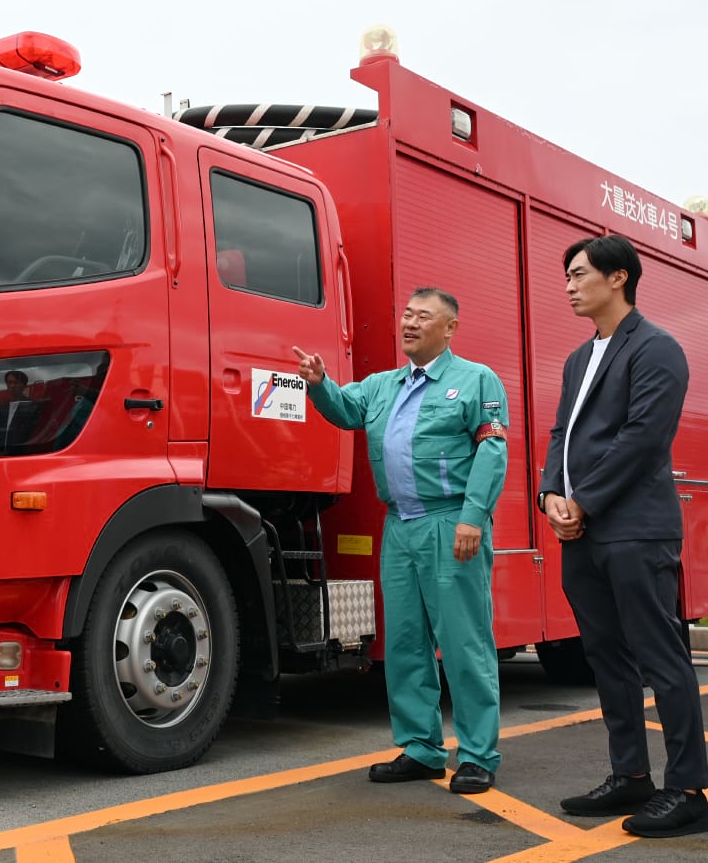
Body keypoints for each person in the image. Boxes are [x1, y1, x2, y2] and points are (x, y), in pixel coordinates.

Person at [295, 287, 508, 795]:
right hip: (402, 527)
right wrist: (321, 383)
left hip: (450, 520)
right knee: (407, 643)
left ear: (450, 327)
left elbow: (493, 451)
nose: (410, 323)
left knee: (464, 642)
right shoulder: (382, 385)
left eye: (423, 316)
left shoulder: (476, 380)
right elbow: (346, 411)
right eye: (407, 314)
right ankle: (421, 748)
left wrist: (473, 517)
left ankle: (478, 755)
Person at [539, 234, 708, 838]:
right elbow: (561, 433)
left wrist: (582, 500)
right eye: (567, 275)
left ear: (619, 278)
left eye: (579, 273)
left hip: (635, 530)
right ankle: (630, 777)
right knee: (606, 657)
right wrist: (550, 495)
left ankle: (688, 788)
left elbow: (642, 438)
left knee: (662, 660)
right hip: (581, 535)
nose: (568, 285)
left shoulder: (658, 348)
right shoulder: (579, 359)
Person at [0, 370, 40, 454]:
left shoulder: (32, 406)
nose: (12, 386)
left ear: (24, 385)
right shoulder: (1, 407)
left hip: (22, 454)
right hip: (0, 454)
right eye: (9, 382)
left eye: (16, 382)